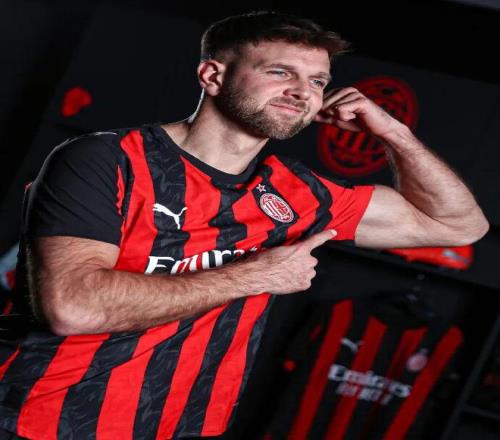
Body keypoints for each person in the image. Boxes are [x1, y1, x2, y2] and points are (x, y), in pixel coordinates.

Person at [0, 10, 489, 440]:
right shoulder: (106, 159)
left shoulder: (299, 194)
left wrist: (394, 134)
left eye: (318, 81)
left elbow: (457, 226)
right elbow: (73, 307)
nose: (302, 92)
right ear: (213, 75)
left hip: (179, 427)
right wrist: (258, 274)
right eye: (280, 72)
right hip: (38, 422)